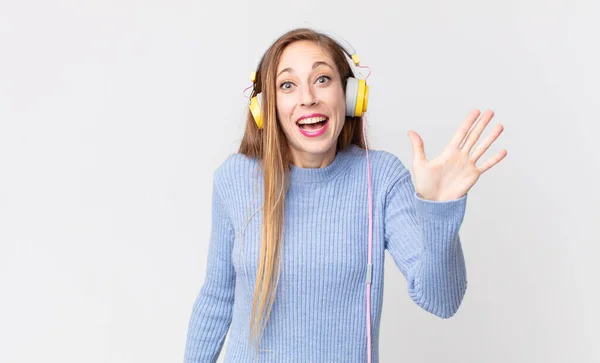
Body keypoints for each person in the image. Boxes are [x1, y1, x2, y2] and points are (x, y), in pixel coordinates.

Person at [183, 27, 507, 363]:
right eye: (287, 85)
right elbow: (215, 299)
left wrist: (439, 210)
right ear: (266, 107)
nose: (308, 97)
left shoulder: (380, 178)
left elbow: (442, 301)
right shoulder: (234, 178)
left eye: (322, 79)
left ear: (351, 95)